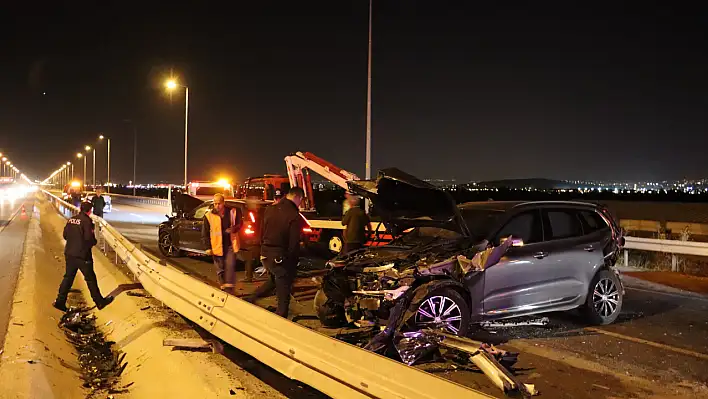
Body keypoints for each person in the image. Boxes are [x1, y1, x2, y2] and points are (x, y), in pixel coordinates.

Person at [244, 187, 305, 318]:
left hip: (266, 252)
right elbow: (293, 244)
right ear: (298, 198)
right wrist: (293, 262)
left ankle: (250, 299)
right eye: (301, 200)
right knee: (284, 286)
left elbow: (261, 231)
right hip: (280, 255)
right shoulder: (294, 215)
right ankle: (281, 316)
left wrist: (262, 249)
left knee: (273, 280)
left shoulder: (270, 209)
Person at [53, 202, 114, 312]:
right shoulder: (87, 221)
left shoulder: (71, 219)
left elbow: (65, 235)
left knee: (68, 277)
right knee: (90, 279)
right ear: (90, 210)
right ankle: (99, 302)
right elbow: (88, 238)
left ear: (81, 209)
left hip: (70, 253)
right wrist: (94, 242)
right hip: (83, 256)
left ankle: (60, 301)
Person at [202, 193, 242, 294]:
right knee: (220, 269)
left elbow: (240, 224)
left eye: (219, 203)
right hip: (216, 246)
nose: (217, 206)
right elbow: (205, 233)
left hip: (230, 244)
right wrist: (207, 247)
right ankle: (223, 287)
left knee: (230, 265)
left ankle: (229, 289)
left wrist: (234, 229)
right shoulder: (208, 216)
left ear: (223, 203)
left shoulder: (232, 212)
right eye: (215, 203)